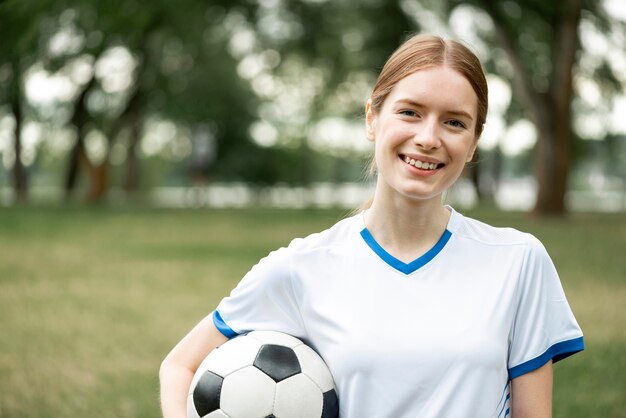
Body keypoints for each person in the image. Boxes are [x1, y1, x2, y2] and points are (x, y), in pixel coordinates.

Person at [159, 34, 584, 418]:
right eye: (410, 112)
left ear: (472, 143)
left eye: (454, 122)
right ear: (372, 119)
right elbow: (180, 366)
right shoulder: (301, 266)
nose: (429, 138)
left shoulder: (518, 261)